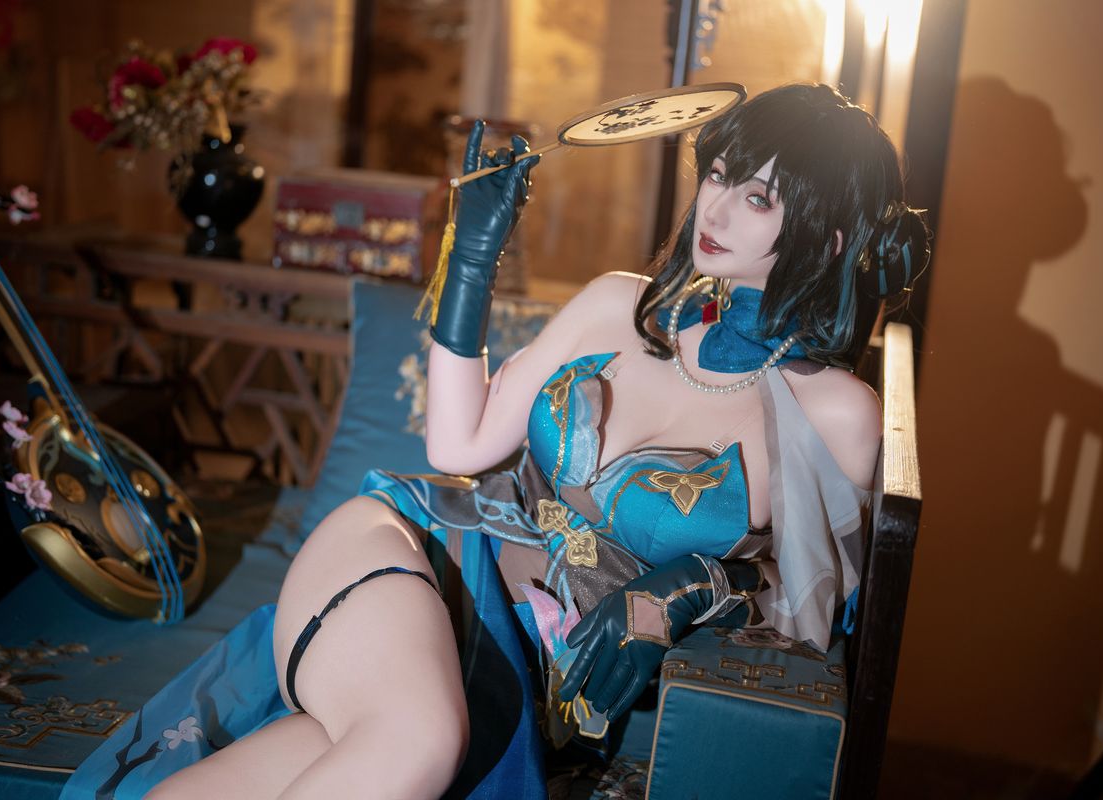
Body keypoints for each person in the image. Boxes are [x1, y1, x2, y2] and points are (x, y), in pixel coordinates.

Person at [147, 82, 930, 798]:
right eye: (719, 175)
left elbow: (814, 611)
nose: (715, 210)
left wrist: (700, 585)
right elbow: (457, 448)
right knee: (418, 742)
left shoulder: (836, 414)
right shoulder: (618, 307)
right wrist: (472, 261)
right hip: (410, 556)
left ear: (829, 239)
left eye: (757, 197)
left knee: (348, 756)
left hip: (512, 674)